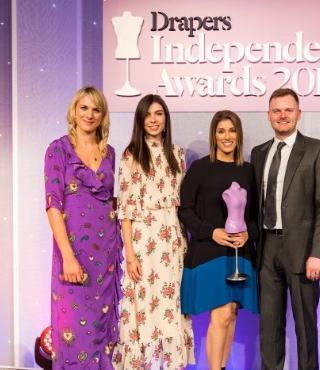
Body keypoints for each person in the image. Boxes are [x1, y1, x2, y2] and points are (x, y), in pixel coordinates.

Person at [250, 88, 320, 370]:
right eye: (277, 111)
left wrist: (319, 253)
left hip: (303, 252)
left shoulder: (317, 149)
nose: (282, 115)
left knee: (305, 328)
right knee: (269, 328)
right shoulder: (259, 152)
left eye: (288, 110)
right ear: (269, 115)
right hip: (267, 250)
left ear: (299, 113)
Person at [111, 94, 194, 369]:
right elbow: (125, 210)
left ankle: (171, 364)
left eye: (159, 114)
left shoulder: (178, 154)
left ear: (165, 117)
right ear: (140, 120)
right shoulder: (131, 155)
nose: (154, 120)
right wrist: (130, 254)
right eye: (148, 115)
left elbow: (184, 202)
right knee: (144, 306)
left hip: (172, 239)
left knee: (171, 306)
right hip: (143, 239)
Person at [44, 86, 121, 369]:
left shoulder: (110, 153)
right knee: (73, 333)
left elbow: (115, 203)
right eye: (84, 108)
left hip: (107, 258)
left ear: (103, 115)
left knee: (103, 332)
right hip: (73, 254)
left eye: (96, 109)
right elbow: (53, 206)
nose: (89, 114)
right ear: (74, 112)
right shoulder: (58, 149)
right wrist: (67, 256)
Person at [179, 110, 259, 370]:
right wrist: (211, 231)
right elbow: (185, 211)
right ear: (214, 135)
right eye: (221, 131)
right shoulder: (200, 168)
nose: (227, 136)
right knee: (222, 314)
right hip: (209, 252)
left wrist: (249, 234)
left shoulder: (248, 171)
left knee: (231, 314)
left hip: (239, 254)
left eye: (232, 130)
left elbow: (257, 216)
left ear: (239, 134)